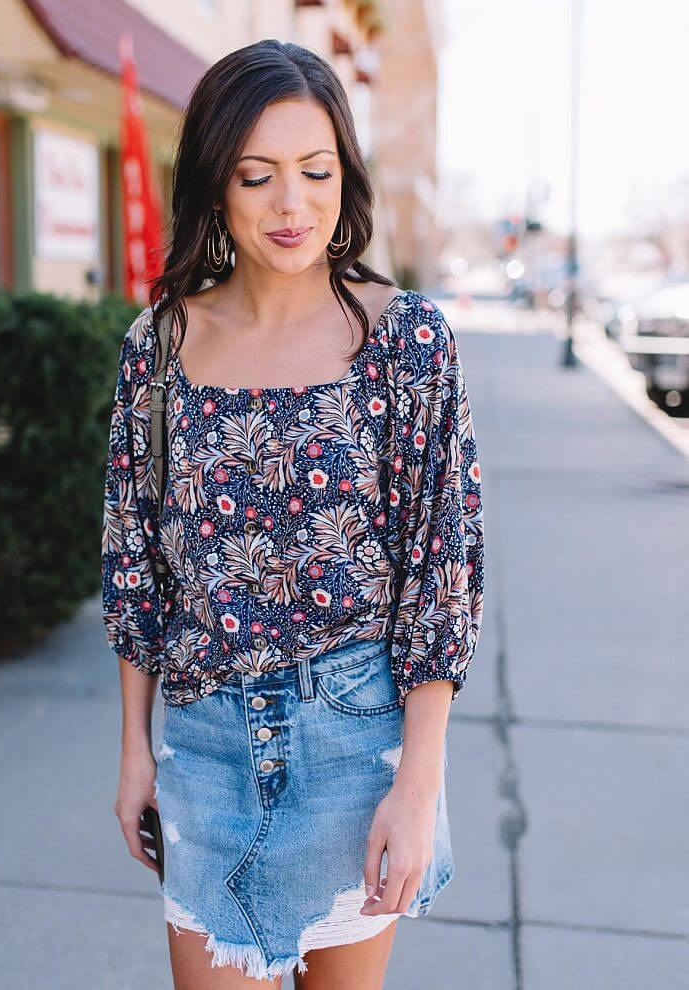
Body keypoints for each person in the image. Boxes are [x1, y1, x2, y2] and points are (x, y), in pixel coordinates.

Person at [102, 39, 485, 989]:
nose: (291, 204)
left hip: (356, 743)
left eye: (315, 172)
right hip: (202, 746)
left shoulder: (403, 339)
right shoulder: (159, 343)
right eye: (257, 175)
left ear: (343, 177)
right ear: (215, 187)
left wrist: (417, 786)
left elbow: (443, 574)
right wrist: (132, 753)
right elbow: (134, 560)